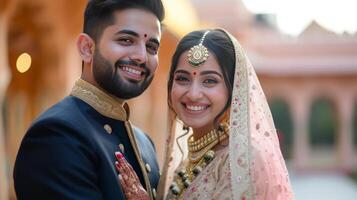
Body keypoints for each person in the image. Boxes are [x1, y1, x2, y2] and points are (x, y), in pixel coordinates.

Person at [116, 29, 294, 200]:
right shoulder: (192, 160)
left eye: (209, 81)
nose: (193, 94)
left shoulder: (243, 159)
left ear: (234, 90)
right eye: (183, 79)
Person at [13, 0, 164, 199]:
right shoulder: (57, 136)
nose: (142, 56)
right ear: (86, 48)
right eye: (126, 40)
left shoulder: (144, 144)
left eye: (152, 47)